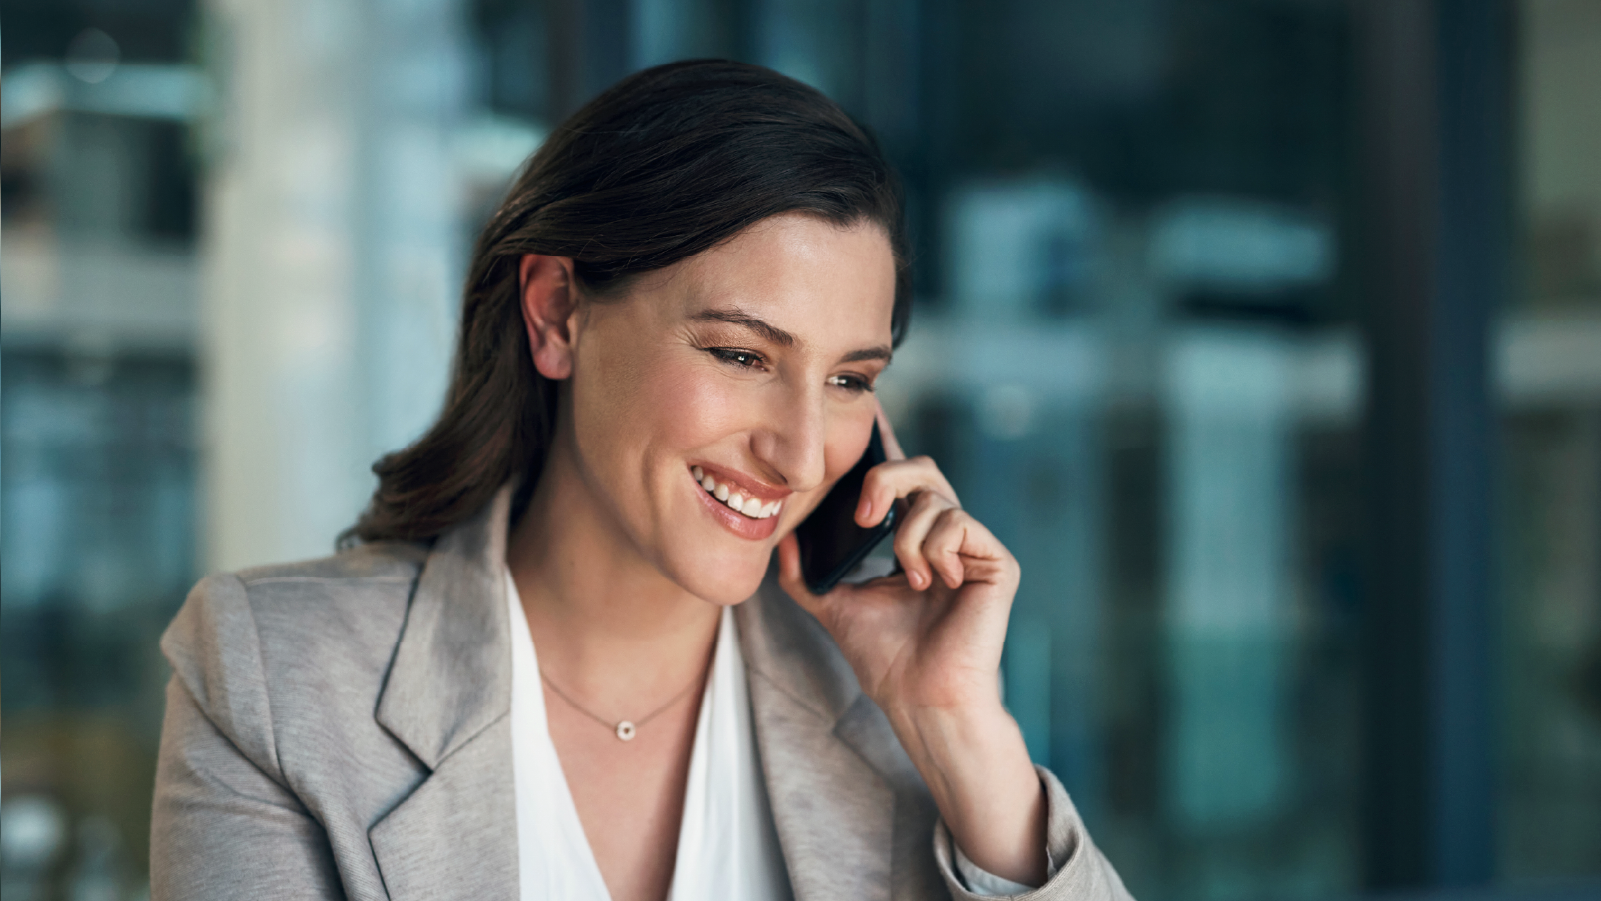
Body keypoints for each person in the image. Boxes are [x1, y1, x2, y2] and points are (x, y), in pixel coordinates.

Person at [150, 60, 1132, 901]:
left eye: (847, 380)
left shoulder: (884, 714)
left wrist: (956, 731)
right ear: (557, 314)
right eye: (740, 355)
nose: (795, 454)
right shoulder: (278, 679)